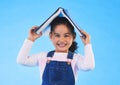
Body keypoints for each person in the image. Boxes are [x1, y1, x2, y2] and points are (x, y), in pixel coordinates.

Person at [17, 17, 95, 85]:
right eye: (57, 35)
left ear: (74, 37)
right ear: (51, 36)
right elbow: (22, 61)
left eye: (66, 35)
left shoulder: (75, 59)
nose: (61, 40)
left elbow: (89, 66)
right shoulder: (43, 57)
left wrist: (87, 44)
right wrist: (31, 39)